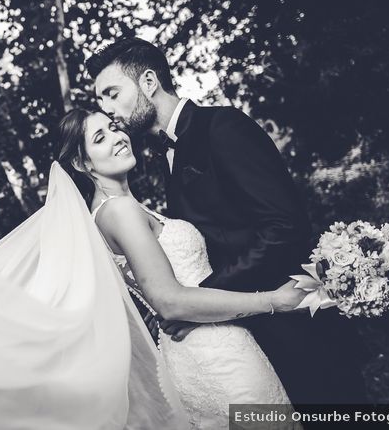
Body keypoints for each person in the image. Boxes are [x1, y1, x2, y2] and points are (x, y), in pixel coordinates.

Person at [86, 36, 368, 405]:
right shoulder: (164, 157)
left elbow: (283, 226)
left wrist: (199, 298)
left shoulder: (221, 126)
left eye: (111, 93)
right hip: (248, 339)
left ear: (149, 82)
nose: (109, 110)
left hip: (300, 329)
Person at [58, 108, 304, 429]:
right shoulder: (118, 212)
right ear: (82, 163)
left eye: (115, 128)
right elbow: (169, 301)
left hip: (204, 350)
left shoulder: (117, 210)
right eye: (100, 138)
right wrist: (273, 301)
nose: (118, 137)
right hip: (216, 356)